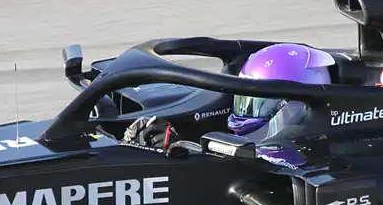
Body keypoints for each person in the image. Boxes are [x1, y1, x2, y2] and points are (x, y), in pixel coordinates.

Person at [123, 43, 335, 151]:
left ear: (294, 107)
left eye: (258, 103)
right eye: (244, 99)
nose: (245, 111)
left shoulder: (312, 156)